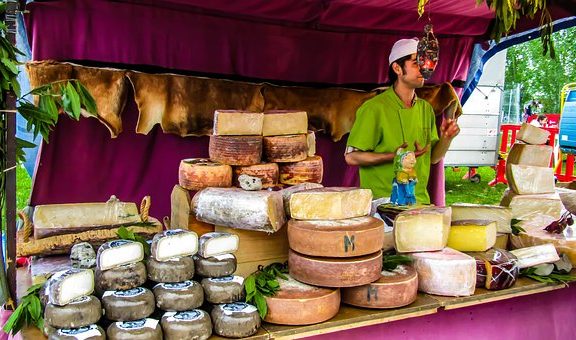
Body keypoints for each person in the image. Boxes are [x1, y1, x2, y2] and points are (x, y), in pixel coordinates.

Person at [345, 38, 460, 204]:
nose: (424, 68)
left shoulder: (425, 109)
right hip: (383, 203)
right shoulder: (374, 108)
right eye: (416, 63)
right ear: (397, 68)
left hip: (419, 202)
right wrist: (395, 156)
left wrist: (447, 138)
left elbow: (433, 158)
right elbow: (351, 157)